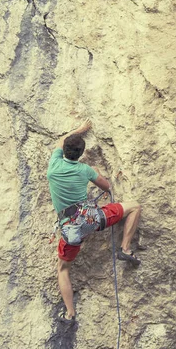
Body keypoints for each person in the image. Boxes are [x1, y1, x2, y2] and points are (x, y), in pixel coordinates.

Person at [47, 119, 142, 323]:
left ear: (63, 150)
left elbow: (59, 142)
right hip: (92, 220)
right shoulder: (85, 170)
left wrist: (79, 130)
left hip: (71, 230)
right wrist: (96, 174)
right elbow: (107, 186)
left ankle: (70, 312)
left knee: (63, 269)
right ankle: (125, 249)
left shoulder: (53, 166)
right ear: (81, 154)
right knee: (134, 206)